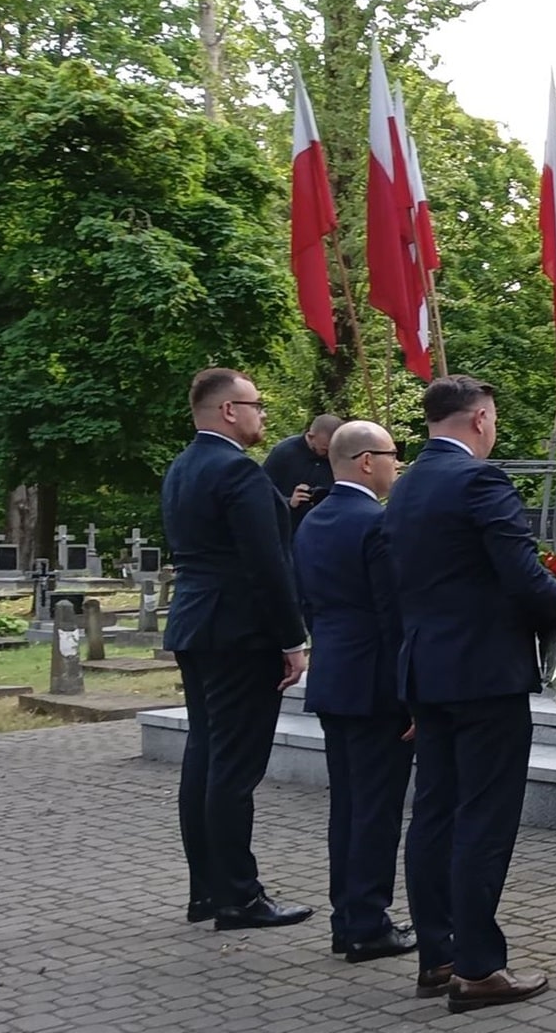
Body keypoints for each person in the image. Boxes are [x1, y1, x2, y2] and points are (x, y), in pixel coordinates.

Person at [384, 376, 556, 1012]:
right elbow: (518, 573)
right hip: (484, 675)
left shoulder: (405, 485)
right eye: (492, 419)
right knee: (484, 818)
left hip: (427, 673)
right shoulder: (479, 481)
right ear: (479, 419)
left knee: (434, 814)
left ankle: (438, 955)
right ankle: (478, 969)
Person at [161, 368, 312, 930]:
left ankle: (207, 890)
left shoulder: (183, 466)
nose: (263, 414)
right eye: (256, 404)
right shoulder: (238, 471)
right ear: (229, 410)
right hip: (239, 633)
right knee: (233, 767)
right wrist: (292, 638)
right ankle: (238, 897)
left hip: (195, 624)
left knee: (205, 756)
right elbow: (267, 564)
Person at [292, 420, 416, 963]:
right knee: (376, 810)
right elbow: (394, 617)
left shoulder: (313, 520)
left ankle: (348, 918)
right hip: (376, 686)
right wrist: (412, 694)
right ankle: (367, 923)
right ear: (367, 461)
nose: (397, 465)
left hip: (334, 676)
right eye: (392, 455)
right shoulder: (376, 524)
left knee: (347, 806)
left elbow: (308, 602)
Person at [263, 414, 344, 528]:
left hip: (326, 525)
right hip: (290, 526)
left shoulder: (339, 456)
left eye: (333, 449)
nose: (330, 454)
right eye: (325, 450)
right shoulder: (284, 452)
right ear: (311, 437)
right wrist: (288, 502)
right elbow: (262, 491)